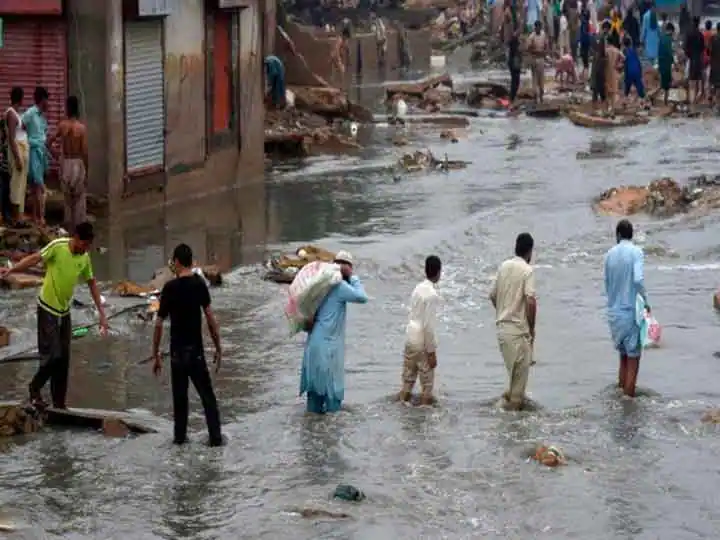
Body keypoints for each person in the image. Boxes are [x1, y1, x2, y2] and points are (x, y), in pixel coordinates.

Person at [0, 222, 108, 408]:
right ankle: (34, 388)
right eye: (84, 244)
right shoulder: (58, 246)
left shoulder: (85, 258)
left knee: (64, 359)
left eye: (88, 245)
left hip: (64, 311)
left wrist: (102, 314)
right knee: (52, 355)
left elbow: (92, 284)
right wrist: (12, 270)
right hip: (47, 308)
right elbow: (35, 258)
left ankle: (59, 403)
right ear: (75, 238)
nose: (85, 249)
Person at [152, 243, 223, 446]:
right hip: (196, 353)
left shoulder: (169, 288)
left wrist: (156, 354)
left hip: (176, 355)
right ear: (191, 262)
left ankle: (180, 440)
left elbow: (158, 324)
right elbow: (210, 318)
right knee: (208, 399)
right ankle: (216, 440)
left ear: (175, 262)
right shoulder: (199, 284)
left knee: (180, 403)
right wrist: (218, 347)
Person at [300, 250, 367, 414]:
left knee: (313, 402)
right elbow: (362, 297)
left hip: (313, 345)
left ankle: (311, 435)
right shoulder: (339, 286)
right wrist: (354, 278)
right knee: (333, 404)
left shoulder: (320, 284)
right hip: (328, 349)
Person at [489, 233, 537, 411]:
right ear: (530, 251)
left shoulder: (504, 266)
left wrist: (504, 311)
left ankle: (502, 411)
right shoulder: (527, 270)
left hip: (502, 332)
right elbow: (531, 301)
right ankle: (512, 432)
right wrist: (531, 328)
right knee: (518, 393)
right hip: (518, 333)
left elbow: (492, 295)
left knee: (513, 382)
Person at [604, 219, 650, 398]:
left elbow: (607, 284)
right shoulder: (636, 252)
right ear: (632, 235)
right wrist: (645, 302)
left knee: (623, 358)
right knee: (633, 359)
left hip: (614, 313)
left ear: (618, 235)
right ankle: (628, 405)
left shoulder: (609, 255)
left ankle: (621, 394)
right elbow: (638, 280)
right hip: (630, 312)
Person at [400, 255, 441, 406]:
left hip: (410, 338)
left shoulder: (417, 288)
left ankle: (403, 410)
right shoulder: (432, 295)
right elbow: (428, 327)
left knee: (407, 381)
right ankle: (424, 418)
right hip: (422, 342)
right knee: (427, 387)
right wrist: (431, 352)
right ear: (438, 272)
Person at [46, 96, 88, 233]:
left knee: (67, 201)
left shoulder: (62, 126)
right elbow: (85, 152)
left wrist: (57, 156)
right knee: (79, 201)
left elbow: (48, 143)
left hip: (65, 164)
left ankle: (68, 233)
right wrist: (86, 169)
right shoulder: (81, 128)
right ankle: (79, 233)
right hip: (77, 163)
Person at [22, 87, 50, 226]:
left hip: (41, 152)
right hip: (33, 152)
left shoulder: (42, 116)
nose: (48, 103)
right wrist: (25, 141)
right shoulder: (31, 113)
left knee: (35, 187)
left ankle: (35, 217)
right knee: (39, 186)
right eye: (47, 100)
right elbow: (20, 125)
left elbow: (45, 134)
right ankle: (40, 217)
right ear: (42, 99)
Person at [5, 86, 28, 225]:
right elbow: (11, 138)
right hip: (17, 153)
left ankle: (19, 215)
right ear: (21, 98)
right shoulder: (11, 114)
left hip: (21, 151)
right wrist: (18, 158)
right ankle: (16, 216)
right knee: (16, 185)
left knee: (20, 185)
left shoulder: (16, 113)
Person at [685, 17, 706, 104]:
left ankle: (692, 103)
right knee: (699, 82)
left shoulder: (689, 34)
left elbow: (686, 48)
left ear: (692, 23)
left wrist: (689, 56)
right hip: (699, 61)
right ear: (699, 23)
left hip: (692, 61)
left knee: (692, 84)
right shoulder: (700, 35)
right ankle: (698, 101)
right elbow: (702, 48)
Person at [527, 21, 548, 104]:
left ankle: (541, 97)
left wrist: (545, 53)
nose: (538, 29)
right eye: (537, 27)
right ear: (535, 28)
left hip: (541, 59)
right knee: (535, 80)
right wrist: (536, 51)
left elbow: (546, 46)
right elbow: (528, 49)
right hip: (534, 60)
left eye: (540, 27)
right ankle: (535, 99)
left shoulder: (543, 34)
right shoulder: (531, 36)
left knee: (541, 79)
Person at [605, 32, 625, 115]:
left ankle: (606, 110)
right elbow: (624, 58)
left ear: (607, 42)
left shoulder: (606, 50)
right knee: (613, 92)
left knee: (606, 92)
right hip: (614, 71)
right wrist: (619, 65)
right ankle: (612, 111)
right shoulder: (617, 50)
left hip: (606, 71)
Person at [622, 35, 645, 103]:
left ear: (623, 44)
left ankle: (624, 102)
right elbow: (638, 62)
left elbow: (625, 63)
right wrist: (640, 72)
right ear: (631, 43)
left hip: (629, 72)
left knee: (627, 88)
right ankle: (644, 104)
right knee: (640, 88)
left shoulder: (624, 51)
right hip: (637, 71)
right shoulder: (633, 51)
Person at [658, 23, 675, 106]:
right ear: (671, 30)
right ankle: (665, 102)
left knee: (663, 84)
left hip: (661, 64)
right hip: (666, 64)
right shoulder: (669, 39)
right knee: (666, 85)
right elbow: (669, 52)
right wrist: (674, 63)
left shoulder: (661, 38)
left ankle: (664, 101)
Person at [592, 33, 608, 110]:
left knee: (596, 93)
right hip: (601, 76)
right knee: (602, 95)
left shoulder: (596, 55)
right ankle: (604, 110)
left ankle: (595, 110)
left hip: (596, 76)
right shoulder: (604, 57)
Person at [508, 33, 522, 104]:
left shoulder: (512, 44)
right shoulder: (515, 45)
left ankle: (512, 97)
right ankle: (512, 98)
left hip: (513, 63)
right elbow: (519, 52)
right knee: (516, 82)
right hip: (515, 64)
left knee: (514, 81)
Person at [579, 5, 592, 80]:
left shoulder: (584, 23)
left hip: (584, 43)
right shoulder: (586, 23)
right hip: (586, 43)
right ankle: (584, 75)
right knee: (585, 61)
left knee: (585, 61)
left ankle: (585, 77)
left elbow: (584, 34)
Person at [710, 22, 720, 110]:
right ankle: (717, 104)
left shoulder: (713, 38)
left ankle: (715, 103)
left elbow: (709, 51)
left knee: (715, 84)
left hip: (714, 64)